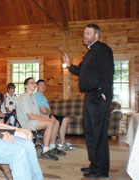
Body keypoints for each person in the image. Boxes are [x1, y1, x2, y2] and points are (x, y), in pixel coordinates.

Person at [62, 24, 114, 178]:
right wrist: (70, 64)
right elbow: (80, 71)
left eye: (88, 33)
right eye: (84, 33)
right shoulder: (89, 54)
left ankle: (101, 170)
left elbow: (108, 71)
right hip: (89, 98)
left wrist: (105, 93)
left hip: (98, 97)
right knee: (90, 133)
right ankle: (94, 165)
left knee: (99, 134)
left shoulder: (103, 49)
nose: (85, 35)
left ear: (96, 35)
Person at [16, 77, 66, 161]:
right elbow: (31, 116)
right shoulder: (24, 97)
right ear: (26, 86)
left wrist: (49, 117)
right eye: (31, 83)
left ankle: (52, 147)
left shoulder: (33, 97)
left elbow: (38, 114)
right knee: (50, 123)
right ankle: (45, 151)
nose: (34, 84)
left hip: (32, 120)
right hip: (25, 122)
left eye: (34, 83)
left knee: (55, 122)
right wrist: (48, 120)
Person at [34, 79, 72, 150]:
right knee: (64, 120)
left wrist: (46, 110)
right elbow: (44, 110)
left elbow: (48, 110)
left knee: (66, 119)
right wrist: (46, 110)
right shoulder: (37, 95)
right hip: (42, 117)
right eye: (41, 85)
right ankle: (61, 142)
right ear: (37, 86)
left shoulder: (44, 98)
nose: (43, 86)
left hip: (48, 115)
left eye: (44, 85)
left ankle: (60, 142)